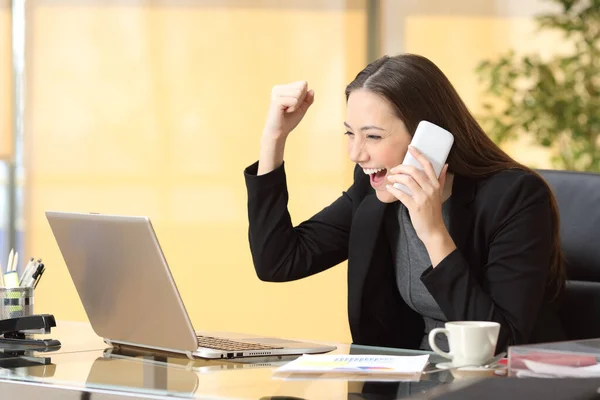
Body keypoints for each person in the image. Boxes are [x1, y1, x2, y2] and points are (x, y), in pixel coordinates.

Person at [243, 53, 567, 352]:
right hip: (412, 383)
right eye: (349, 134)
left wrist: (434, 233)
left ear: (430, 136)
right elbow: (279, 261)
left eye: (373, 136)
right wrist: (274, 137)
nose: (356, 154)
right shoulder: (375, 193)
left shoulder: (515, 197)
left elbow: (500, 342)